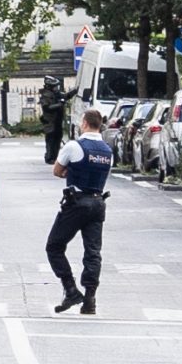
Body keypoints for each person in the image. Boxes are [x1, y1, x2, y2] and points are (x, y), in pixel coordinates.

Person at [45, 109, 112, 315]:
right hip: (98, 202)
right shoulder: (107, 151)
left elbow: (57, 170)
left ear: (84, 124)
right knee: (93, 252)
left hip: (77, 203)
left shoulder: (74, 146)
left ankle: (71, 289)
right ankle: (90, 298)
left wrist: (71, 172)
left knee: (54, 246)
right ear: (99, 125)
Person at [39, 75, 76, 164]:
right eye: (55, 86)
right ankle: (49, 157)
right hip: (50, 122)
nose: (57, 88)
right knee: (51, 140)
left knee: (57, 140)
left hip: (58, 122)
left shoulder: (57, 94)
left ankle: (55, 157)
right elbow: (47, 107)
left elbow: (66, 96)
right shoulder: (45, 96)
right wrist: (60, 104)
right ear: (50, 87)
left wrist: (74, 91)